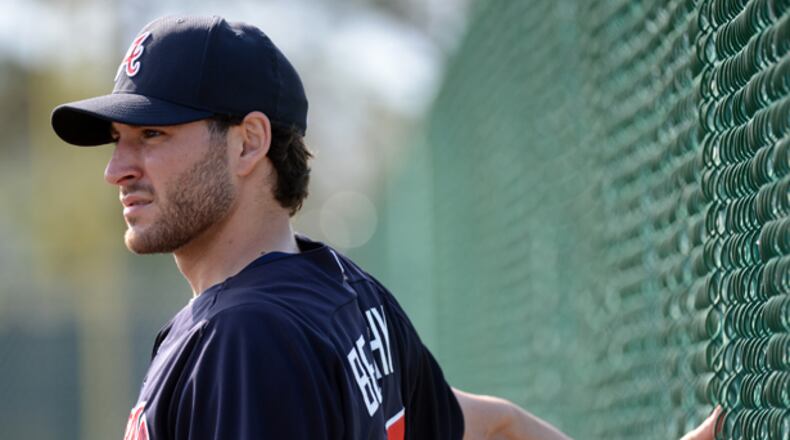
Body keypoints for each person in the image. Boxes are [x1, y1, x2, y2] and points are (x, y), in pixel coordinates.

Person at [50, 15, 720, 440]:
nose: (117, 168)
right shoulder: (344, 293)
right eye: (117, 138)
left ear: (249, 143)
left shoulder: (242, 339)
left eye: (153, 134)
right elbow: (497, 427)